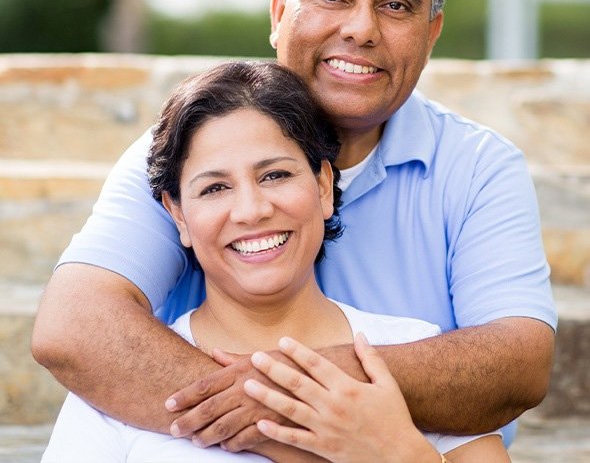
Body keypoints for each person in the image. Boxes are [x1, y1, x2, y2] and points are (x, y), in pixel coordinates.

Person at [32, 0, 556, 453]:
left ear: (431, 34)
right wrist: (297, 432)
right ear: (280, 13)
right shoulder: (190, 148)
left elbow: (518, 363)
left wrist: (288, 394)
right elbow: (76, 326)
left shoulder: (479, 168)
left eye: (397, 5)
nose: (361, 28)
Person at [41, 61, 509, 462]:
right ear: (177, 215)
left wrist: (398, 453)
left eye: (275, 175)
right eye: (215, 188)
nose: (251, 210)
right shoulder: (119, 383)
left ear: (324, 186)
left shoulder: (411, 350)